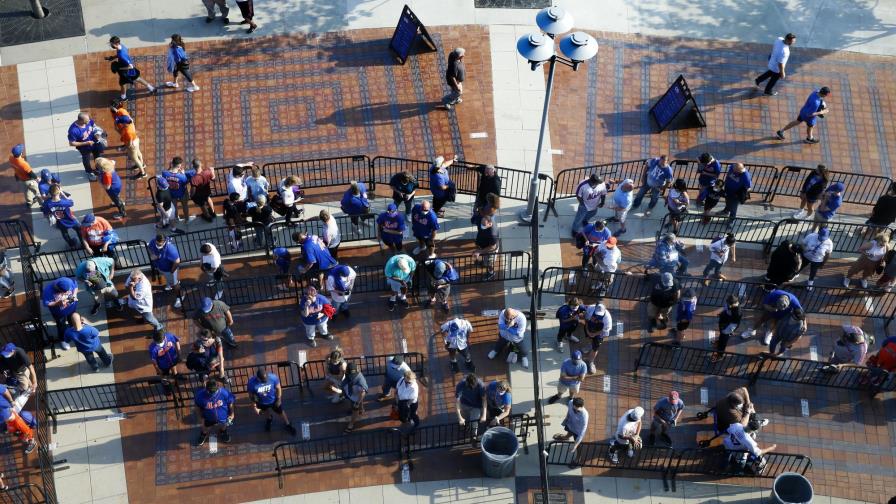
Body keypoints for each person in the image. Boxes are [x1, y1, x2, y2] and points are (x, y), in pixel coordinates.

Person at [248, 369, 296, 434]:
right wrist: (255, 407)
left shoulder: (273, 377)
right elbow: (251, 396)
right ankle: (269, 419)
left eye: (266, 379)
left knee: (280, 411)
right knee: (265, 411)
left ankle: (287, 423)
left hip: (273, 400)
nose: (265, 381)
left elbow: (278, 388)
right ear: (258, 378)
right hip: (261, 402)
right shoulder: (251, 383)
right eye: (263, 380)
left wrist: (279, 399)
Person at [147, 234, 183, 308]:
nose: (158, 245)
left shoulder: (170, 249)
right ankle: (170, 284)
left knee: (175, 285)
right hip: (160, 267)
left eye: (160, 244)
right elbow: (149, 248)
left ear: (164, 241)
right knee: (169, 280)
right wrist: (152, 254)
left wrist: (172, 271)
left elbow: (177, 261)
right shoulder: (153, 241)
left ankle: (180, 296)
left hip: (169, 270)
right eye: (157, 243)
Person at [194, 380, 234, 446]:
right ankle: (204, 434)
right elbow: (197, 406)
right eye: (210, 391)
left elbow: (231, 402)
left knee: (224, 425)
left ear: (218, 388)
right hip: (208, 417)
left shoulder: (224, 392)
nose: (213, 393)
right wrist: (199, 417)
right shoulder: (200, 395)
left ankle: (223, 432)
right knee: (205, 427)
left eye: (215, 391)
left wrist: (232, 414)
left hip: (223, 416)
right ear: (206, 389)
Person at [41, 277, 78, 350]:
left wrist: (74, 295)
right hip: (59, 313)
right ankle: (63, 340)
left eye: (67, 291)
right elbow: (47, 303)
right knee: (61, 326)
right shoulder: (48, 290)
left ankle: (74, 333)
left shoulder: (69, 281)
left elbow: (76, 287)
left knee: (73, 322)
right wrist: (58, 303)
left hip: (72, 308)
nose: (67, 293)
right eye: (64, 292)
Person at [67, 112, 104, 180]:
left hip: (94, 142)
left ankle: (98, 168)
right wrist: (86, 143)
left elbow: (94, 126)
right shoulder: (73, 130)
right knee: (86, 160)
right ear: (81, 121)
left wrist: (97, 133)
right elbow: (72, 143)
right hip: (84, 147)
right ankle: (89, 172)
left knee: (98, 156)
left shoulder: (88, 121)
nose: (89, 121)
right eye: (87, 121)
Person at [0, 384, 36, 454]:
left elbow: (4, 390)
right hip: (3, 419)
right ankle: (23, 436)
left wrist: (11, 401)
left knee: (19, 425)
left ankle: (32, 440)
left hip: (8, 412)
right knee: (12, 430)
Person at [112, 113, 145, 179]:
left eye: (120, 122)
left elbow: (129, 144)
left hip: (132, 145)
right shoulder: (130, 123)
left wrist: (123, 148)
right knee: (138, 154)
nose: (119, 124)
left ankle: (142, 173)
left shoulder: (128, 132)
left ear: (124, 123)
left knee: (135, 159)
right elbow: (120, 131)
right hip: (136, 140)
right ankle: (142, 164)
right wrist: (116, 125)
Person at [582, 303, 612, 374]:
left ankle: (591, 362)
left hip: (600, 333)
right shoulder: (590, 308)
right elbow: (586, 320)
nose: (597, 316)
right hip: (590, 327)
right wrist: (587, 331)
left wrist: (595, 334)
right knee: (588, 337)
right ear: (595, 308)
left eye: (600, 315)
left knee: (595, 347)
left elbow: (604, 332)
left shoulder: (607, 319)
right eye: (596, 314)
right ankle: (590, 345)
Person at [161, 157, 192, 225]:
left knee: (174, 207)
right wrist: (183, 174)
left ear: (172, 164)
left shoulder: (164, 173)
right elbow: (186, 182)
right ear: (179, 165)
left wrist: (170, 167)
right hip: (182, 193)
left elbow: (166, 173)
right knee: (185, 205)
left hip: (172, 194)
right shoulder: (182, 176)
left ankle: (176, 218)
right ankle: (186, 219)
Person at [342, 363, 369, 433]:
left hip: (357, 395)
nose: (352, 377)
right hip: (352, 393)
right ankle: (361, 409)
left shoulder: (360, 380)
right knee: (353, 403)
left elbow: (363, 393)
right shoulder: (347, 374)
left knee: (355, 409)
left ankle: (351, 424)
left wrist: (357, 403)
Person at [713, 295, 742, 359]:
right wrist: (721, 314)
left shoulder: (737, 312)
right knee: (721, 335)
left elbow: (734, 324)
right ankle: (719, 342)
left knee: (724, 340)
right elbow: (726, 310)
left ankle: (720, 355)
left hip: (728, 326)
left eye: (730, 303)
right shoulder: (729, 304)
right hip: (723, 322)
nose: (728, 304)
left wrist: (727, 330)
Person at [473, 213, 499, 281]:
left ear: (490, 224)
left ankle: (491, 272)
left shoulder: (493, 234)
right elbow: (474, 220)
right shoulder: (481, 220)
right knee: (485, 259)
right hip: (483, 243)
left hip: (491, 249)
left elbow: (492, 247)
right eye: (481, 224)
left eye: (484, 226)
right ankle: (484, 262)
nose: (482, 227)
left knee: (490, 262)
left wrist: (479, 251)